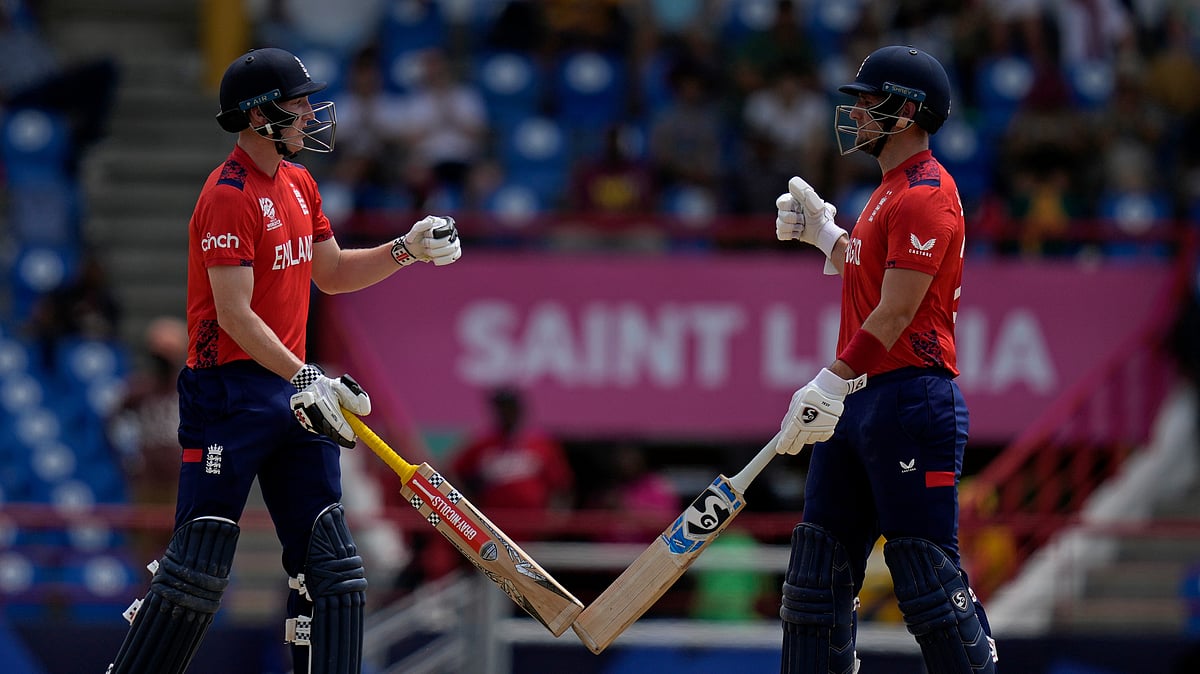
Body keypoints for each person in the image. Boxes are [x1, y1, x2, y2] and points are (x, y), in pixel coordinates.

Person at [105, 47, 462, 674]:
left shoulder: (299, 183)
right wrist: (303, 373)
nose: (308, 115)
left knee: (332, 569)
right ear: (259, 114)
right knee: (197, 569)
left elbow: (329, 272)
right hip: (230, 392)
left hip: (292, 391)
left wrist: (406, 249)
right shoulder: (227, 194)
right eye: (296, 105)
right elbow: (235, 314)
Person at [771, 46, 998, 673]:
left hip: (909, 398)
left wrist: (829, 378)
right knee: (816, 581)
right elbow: (874, 271)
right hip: (864, 399)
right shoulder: (887, 193)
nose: (858, 113)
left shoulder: (927, 193)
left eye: (870, 102)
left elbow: (896, 311)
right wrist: (828, 237)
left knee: (926, 577)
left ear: (907, 111)